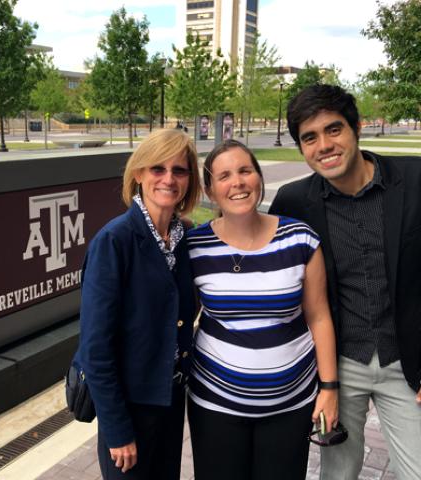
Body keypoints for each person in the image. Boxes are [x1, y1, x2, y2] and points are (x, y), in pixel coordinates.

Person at [269, 84, 421, 479]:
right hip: (337, 367)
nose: (324, 145)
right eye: (310, 137)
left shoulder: (416, 178)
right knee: (336, 474)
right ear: (301, 148)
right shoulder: (293, 201)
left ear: (356, 128)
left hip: (407, 361)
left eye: (333, 129)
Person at [187, 139, 338, 480]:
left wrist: (329, 389)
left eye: (245, 170)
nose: (237, 182)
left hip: (291, 406)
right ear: (211, 190)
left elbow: (319, 316)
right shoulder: (195, 247)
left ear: (259, 177)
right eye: (224, 175)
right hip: (215, 406)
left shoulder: (299, 239)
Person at [77, 128, 201, 480]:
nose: (168, 179)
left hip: (170, 401)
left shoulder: (183, 239)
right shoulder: (115, 241)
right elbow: (95, 347)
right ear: (138, 175)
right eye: (157, 169)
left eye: (179, 170)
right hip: (130, 410)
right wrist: (116, 429)